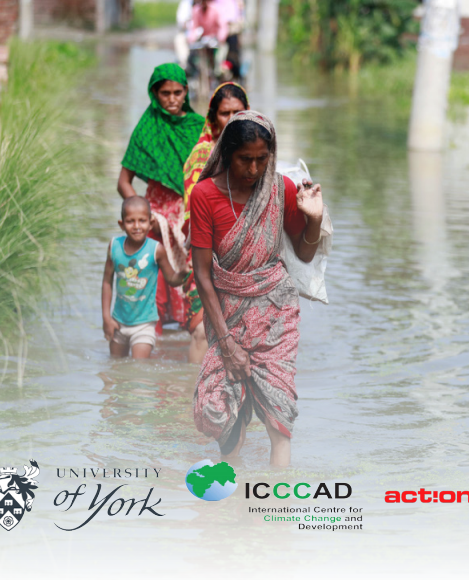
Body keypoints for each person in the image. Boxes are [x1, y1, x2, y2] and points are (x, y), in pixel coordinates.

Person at [190, 111, 323, 467]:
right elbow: (203, 275)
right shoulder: (204, 195)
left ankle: (274, 511)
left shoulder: (281, 190)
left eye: (262, 160)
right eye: (244, 160)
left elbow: (305, 253)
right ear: (227, 154)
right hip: (227, 311)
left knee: (279, 414)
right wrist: (227, 342)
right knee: (221, 413)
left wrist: (314, 218)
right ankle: (227, 510)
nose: (253, 169)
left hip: (275, 312)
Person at [118, 63, 204, 343]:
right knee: (153, 290)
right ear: (154, 93)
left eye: (177, 92)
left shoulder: (199, 127)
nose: (171, 99)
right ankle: (150, 353)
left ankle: (186, 358)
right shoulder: (146, 128)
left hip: (191, 221)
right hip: (156, 223)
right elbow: (123, 182)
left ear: (186, 92)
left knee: (193, 284)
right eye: (164, 92)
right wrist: (143, 215)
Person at [182, 82, 249, 364]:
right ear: (212, 118)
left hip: (244, 256)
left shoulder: (255, 153)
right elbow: (193, 212)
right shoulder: (202, 154)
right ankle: (192, 396)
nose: (232, 119)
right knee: (200, 330)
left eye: (238, 112)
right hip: (203, 251)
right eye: (225, 113)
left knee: (243, 332)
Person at [102, 197, 190, 359]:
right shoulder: (114, 247)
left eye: (142, 221)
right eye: (130, 221)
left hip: (145, 324)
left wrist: (183, 273)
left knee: (139, 371)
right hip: (118, 322)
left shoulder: (156, 250)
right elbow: (107, 282)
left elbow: (172, 278)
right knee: (115, 368)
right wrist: (106, 318)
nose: (137, 226)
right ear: (122, 224)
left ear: (150, 223)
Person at [187, 0, 229, 78]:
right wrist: (192, 39)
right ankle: (192, 69)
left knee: (222, 51)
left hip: (215, 40)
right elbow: (193, 27)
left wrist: (221, 38)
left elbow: (223, 27)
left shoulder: (216, 9)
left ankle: (219, 69)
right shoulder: (196, 10)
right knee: (193, 54)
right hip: (203, 40)